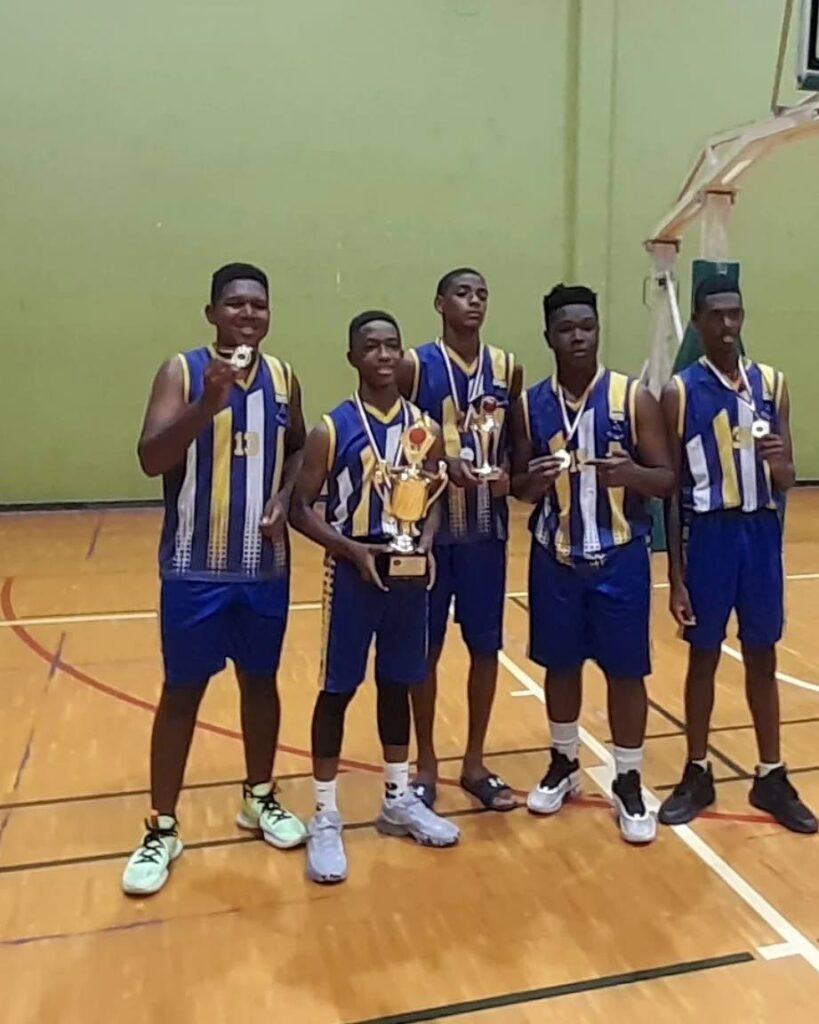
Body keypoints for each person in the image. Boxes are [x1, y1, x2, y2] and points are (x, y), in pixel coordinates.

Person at [122, 263, 307, 896]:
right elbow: (151, 459)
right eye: (235, 305)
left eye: (259, 305)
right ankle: (162, 826)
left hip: (262, 568)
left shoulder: (284, 378)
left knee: (262, 685)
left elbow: (303, 447)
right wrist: (208, 401)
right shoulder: (180, 370)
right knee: (182, 694)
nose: (248, 315)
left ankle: (259, 797)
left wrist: (286, 496)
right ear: (212, 313)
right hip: (194, 568)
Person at [289, 310, 460, 885]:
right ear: (353, 357)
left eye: (392, 346)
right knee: (337, 690)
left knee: (398, 684)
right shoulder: (331, 428)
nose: (384, 356)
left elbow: (433, 496)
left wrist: (430, 539)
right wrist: (347, 548)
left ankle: (396, 796)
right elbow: (300, 507)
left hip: (408, 572)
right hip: (354, 569)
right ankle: (326, 813)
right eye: (372, 347)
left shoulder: (425, 427)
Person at [511, 283, 674, 843]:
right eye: (565, 328)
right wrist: (529, 482)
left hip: (620, 556)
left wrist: (630, 475)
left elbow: (668, 478)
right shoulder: (530, 404)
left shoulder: (634, 398)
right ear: (549, 335)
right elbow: (518, 486)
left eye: (586, 326)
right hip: (554, 556)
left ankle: (628, 779)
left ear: (598, 330)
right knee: (560, 665)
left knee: (627, 672)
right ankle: (564, 762)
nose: (577, 336)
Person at [658, 275, 817, 833]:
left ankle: (771, 774)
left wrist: (778, 463)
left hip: (760, 535)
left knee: (763, 654)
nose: (727, 326)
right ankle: (697, 770)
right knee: (703, 655)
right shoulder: (680, 392)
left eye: (735, 315)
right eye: (717, 316)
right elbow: (673, 492)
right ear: (699, 324)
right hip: (709, 537)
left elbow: (790, 476)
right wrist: (676, 578)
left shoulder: (772, 384)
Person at [398, 268, 523, 811]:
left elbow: (517, 446)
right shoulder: (414, 365)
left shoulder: (506, 368)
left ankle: (474, 761)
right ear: (439, 302)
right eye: (463, 293)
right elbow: (397, 438)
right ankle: (425, 763)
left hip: (484, 533)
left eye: (482, 295)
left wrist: (507, 479)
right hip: (428, 532)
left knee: (484, 647)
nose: (473, 302)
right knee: (424, 650)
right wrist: (436, 464)